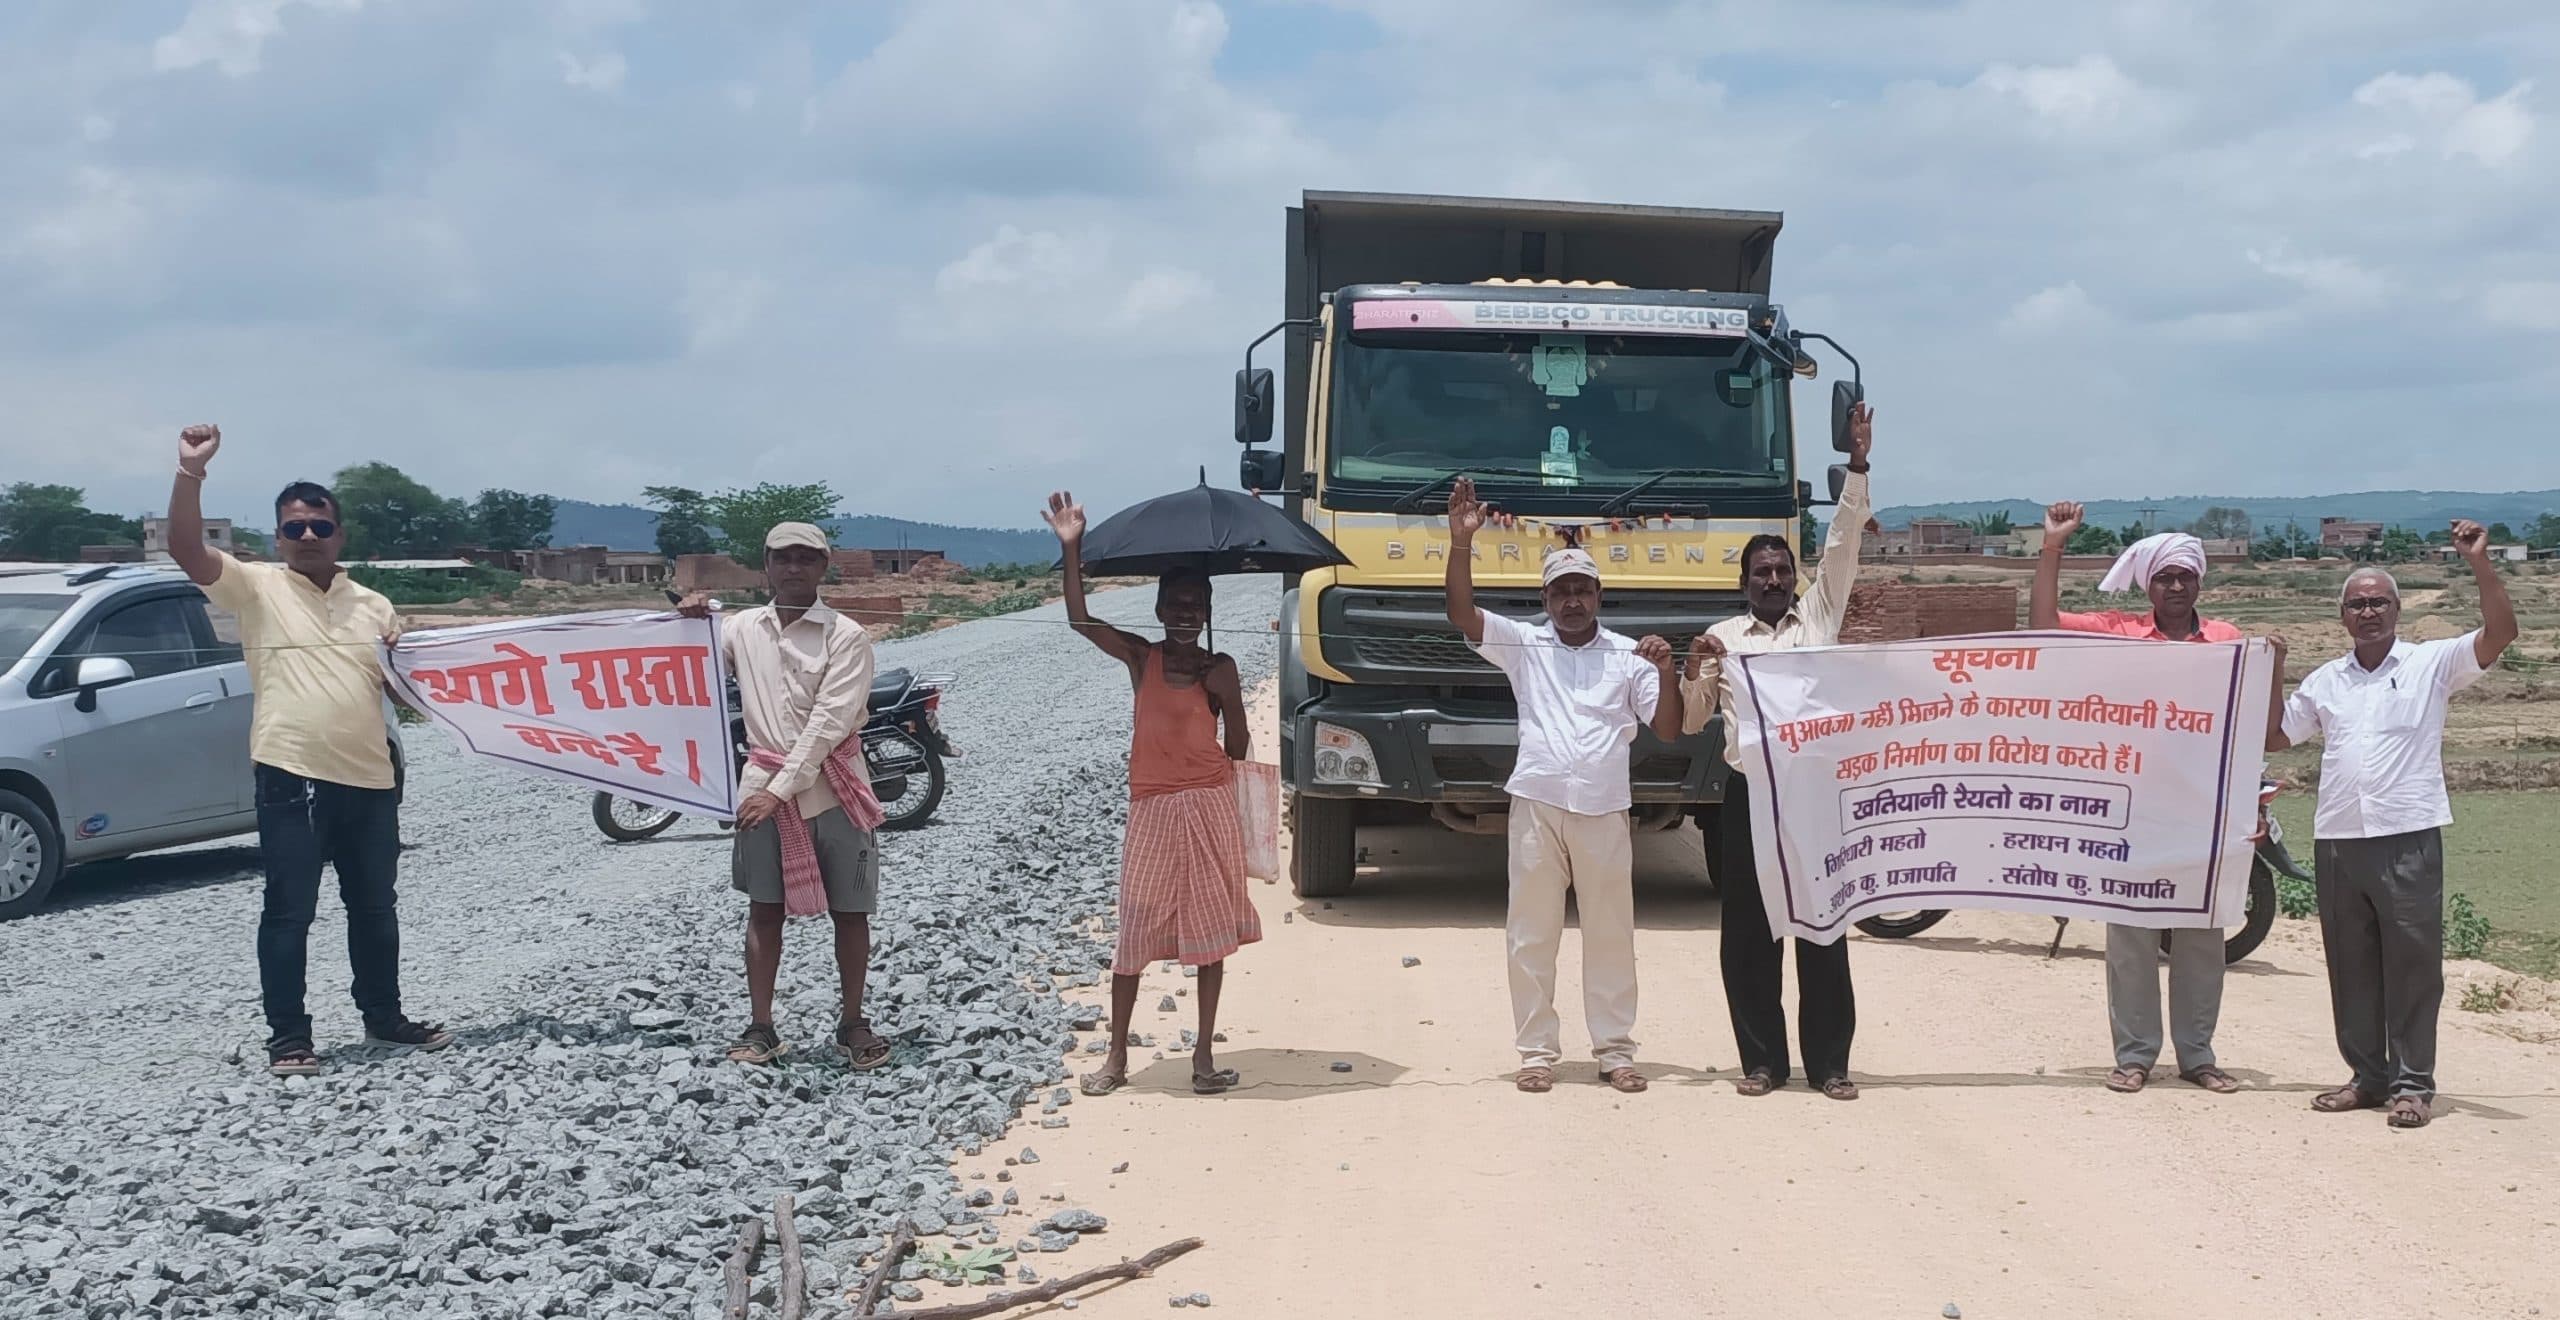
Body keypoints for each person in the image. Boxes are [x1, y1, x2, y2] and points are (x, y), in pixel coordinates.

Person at [164, 424, 450, 1077]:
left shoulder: (373, 604)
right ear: (279, 538)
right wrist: (190, 472)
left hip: (373, 779)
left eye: (321, 527)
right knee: (290, 910)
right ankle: (289, 1037)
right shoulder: (254, 587)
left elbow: (407, 689)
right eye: (295, 529)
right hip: (292, 776)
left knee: (376, 907)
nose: (309, 538)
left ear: (340, 535)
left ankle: (384, 1017)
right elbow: (184, 547)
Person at [2267, 520, 2517, 1130]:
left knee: (2412, 962)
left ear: (2398, 610)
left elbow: (2501, 633)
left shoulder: (2433, 664)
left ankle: (2412, 1084)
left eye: (2380, 601)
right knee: (2350, 962)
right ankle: (2367, 1076)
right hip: (2340, 840)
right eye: (2358, 603)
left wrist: (2479, 562)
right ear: (2343, 616)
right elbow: (2276, 735)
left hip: (2408, 836)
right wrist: (2273, 666)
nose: (2369, 610)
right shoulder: (2326, 679)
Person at [1443, 479, 1684, 1095]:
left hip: (1605, 809)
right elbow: (1461, 614)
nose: (1572, 600)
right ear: (1545, 598)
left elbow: (1668, 727)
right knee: (1531, 931)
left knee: (1611, 932)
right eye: (1560, 591)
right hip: (1538, 804)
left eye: (1582, 589)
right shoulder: (1524, 645)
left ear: (1599, 595)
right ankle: (1536, 1052)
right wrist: (1461, 544)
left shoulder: (1631, 656)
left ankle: (1615, 1049)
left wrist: (1666, 670)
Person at [1681, 401, 1874, 1100]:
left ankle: (1830, 1064)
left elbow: (1846, 544)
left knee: (1823, 925)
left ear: (1795, 578)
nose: (1771, 580)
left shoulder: (1819, 619)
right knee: (1750, 934)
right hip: (1749, 796)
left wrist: (1857, 467)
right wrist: (1694, 667)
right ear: (1744, 583)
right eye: (1760, 572)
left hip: (1815, 795)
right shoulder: (1722, 638)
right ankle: (1762, 1061)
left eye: (1781, 570)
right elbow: (1695, 715)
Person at [1043, 492, 1259, 1097]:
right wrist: (1071, 548)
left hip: (1209, 803)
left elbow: (1238, 746)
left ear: (1208, 610)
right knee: (1135, 927)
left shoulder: (1223, 668)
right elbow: (1081, 621)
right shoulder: (1142, 657)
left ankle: (1203, 1059)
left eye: (1196, 604)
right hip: (1154, 807)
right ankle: (1116, 1057)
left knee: (1211, 933)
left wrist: (1225, 695)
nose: (1185, 613)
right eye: (1176, 604)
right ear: (1160, 608)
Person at [2031, 505, 2249, 1096]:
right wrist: (2053, 547)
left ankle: (2198, 1055)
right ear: (2147, 584)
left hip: (2204, 815)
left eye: (2185, 576)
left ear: (2200, 581)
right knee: (2130, 940)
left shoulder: (2228, 642)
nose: (2175, 586)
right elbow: (2046, 625)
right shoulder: (2118, 633)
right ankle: (2135, 1055)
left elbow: (2246, 724)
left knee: (2203, 939)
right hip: (2133, 812)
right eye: (2164, 577)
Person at [679, 523, 888, 1069]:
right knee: (764, 910)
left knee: (851, 913)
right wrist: (694, 613)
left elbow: (827, 724)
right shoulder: (742, 629)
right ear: (766, 565)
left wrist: (778, 790)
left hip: (835, 790)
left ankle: (853, 1022)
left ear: (824, 567)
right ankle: (762, 1026)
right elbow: (691, 657)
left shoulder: (846, 636)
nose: (794, 568)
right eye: (783, 558)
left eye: (806, 558)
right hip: (763, 787)